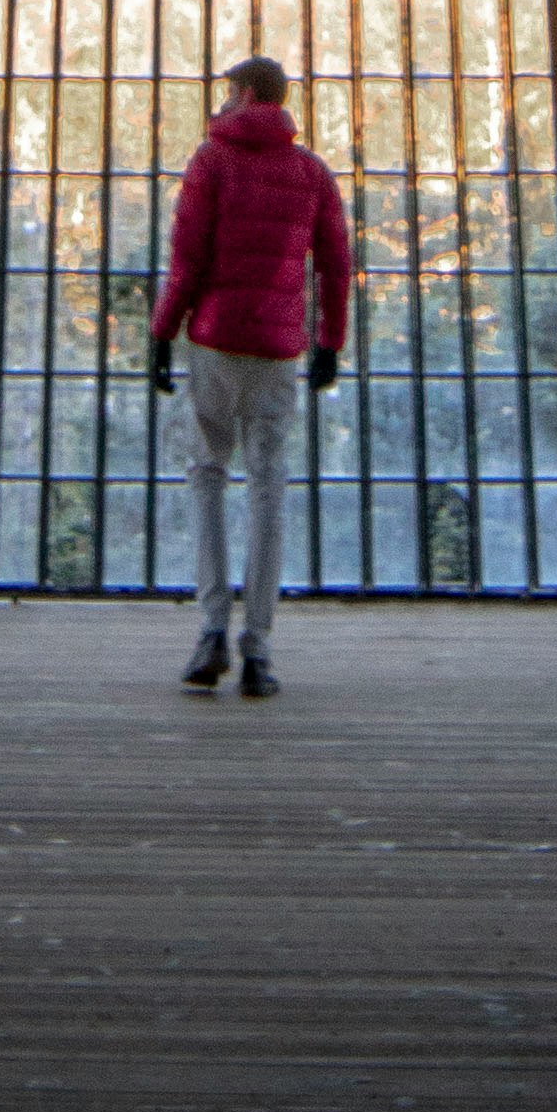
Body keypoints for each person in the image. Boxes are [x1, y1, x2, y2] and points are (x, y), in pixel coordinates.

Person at [145, 53, 351, 698]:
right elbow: (336, 267)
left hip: (214, 340)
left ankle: (211, 630)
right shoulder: (311, 172)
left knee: (207, 475)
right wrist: (328, 345)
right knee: (268, 488)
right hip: (277, 351)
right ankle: (258, 650)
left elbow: (187, 257)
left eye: (229, 90)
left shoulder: (212, 162)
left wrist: (161, 331)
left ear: (243, 92)